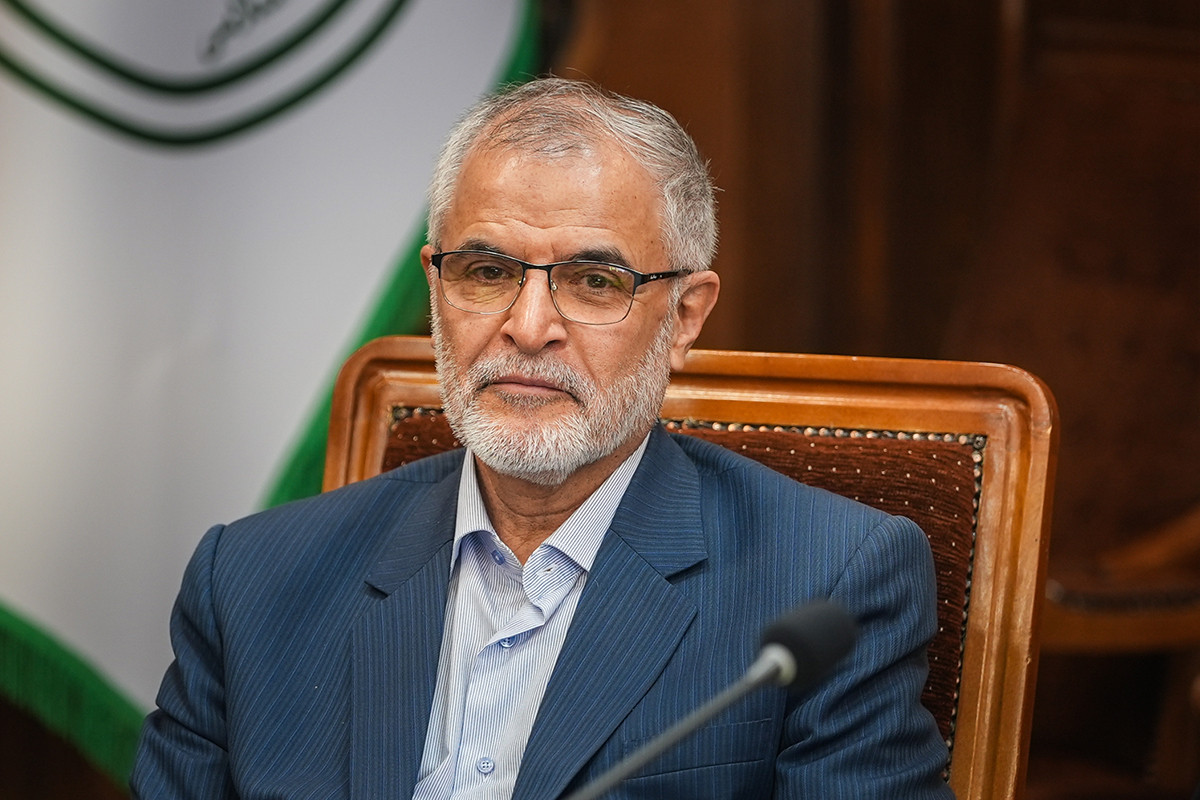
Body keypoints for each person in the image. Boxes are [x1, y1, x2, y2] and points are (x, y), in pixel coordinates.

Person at [131, 77, 953, 799]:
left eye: (594, 282)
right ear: (436, 286)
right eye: (487, 272)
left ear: (684, 317)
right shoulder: (251, 583)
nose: (528, 328)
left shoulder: (825, 585)